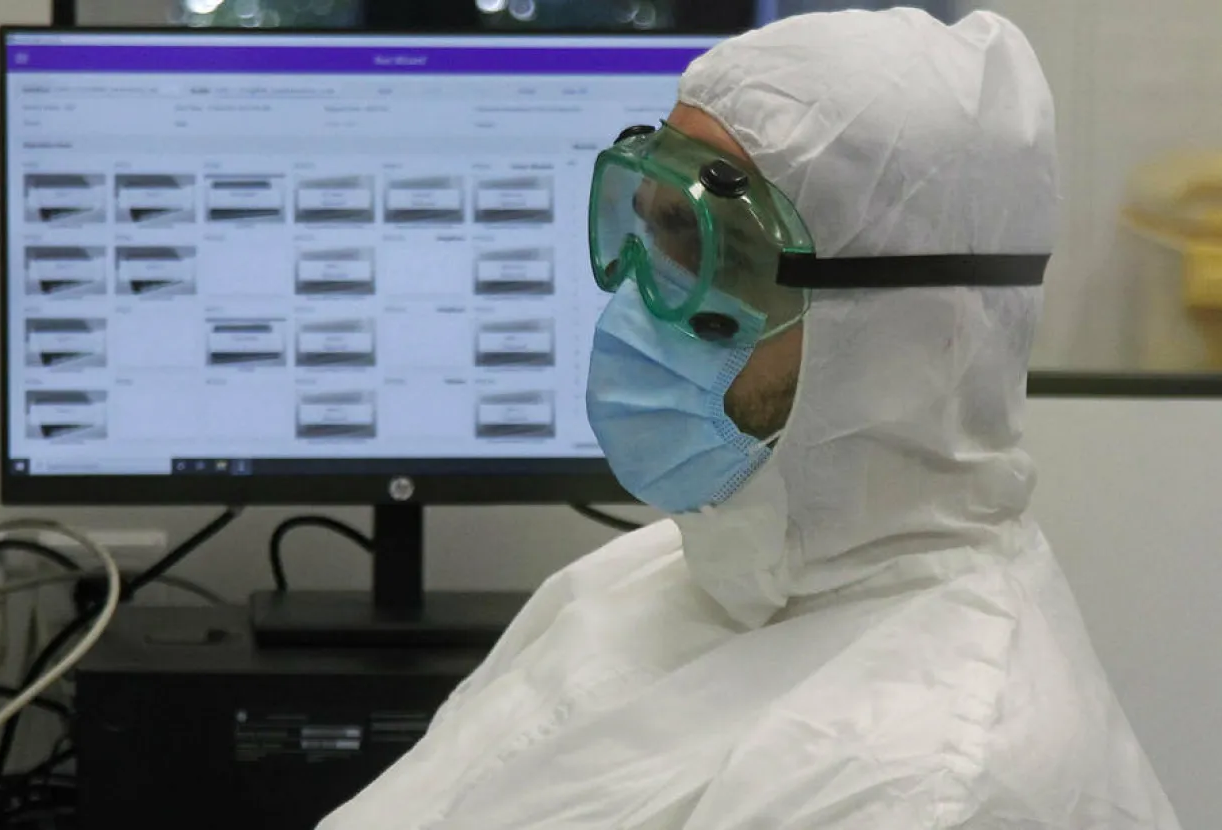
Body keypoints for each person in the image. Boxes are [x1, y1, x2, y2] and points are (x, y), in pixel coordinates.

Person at [320, 9, 1181, 829]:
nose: (639, 301)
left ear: (897, 331)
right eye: (655, 228)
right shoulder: (659, 577)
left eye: (713, 250)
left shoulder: (925, 786)